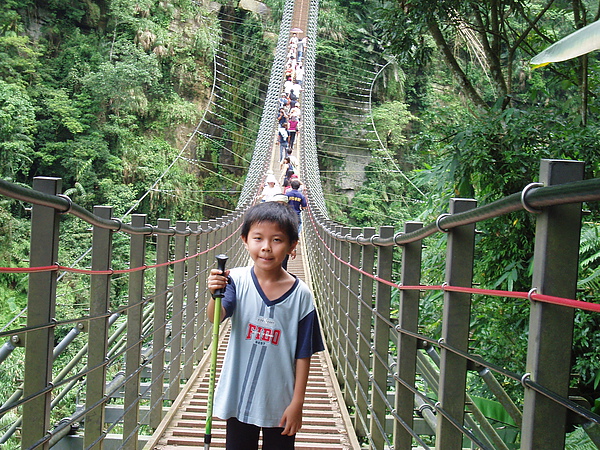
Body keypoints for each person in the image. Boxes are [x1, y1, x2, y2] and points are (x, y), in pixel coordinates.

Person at [207, 201, 324, 449]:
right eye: (258, 238)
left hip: (280, 402)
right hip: (239, 397)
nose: (266, 248)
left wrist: (297, 404)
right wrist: (215, 293)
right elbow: (215, 317)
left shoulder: (302, 295)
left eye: (277, 240)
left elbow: (304, 354)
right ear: (245, 240)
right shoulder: (235, 280)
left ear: (293, 245)